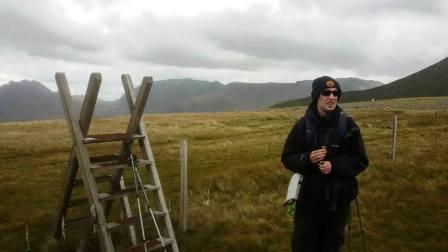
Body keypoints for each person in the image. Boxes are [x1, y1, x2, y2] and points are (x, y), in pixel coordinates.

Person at [281, 76, 369, 252]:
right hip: (308, 201)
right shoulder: (302, 125)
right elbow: (287, 157)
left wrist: (334, 166)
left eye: (336, 93)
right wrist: (308, 158)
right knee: (302, 245)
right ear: (316, 96)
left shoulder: (348, 125)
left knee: (331, 246)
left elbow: (361, 160)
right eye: (326, 92)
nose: (332, 97)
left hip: (337, 202)